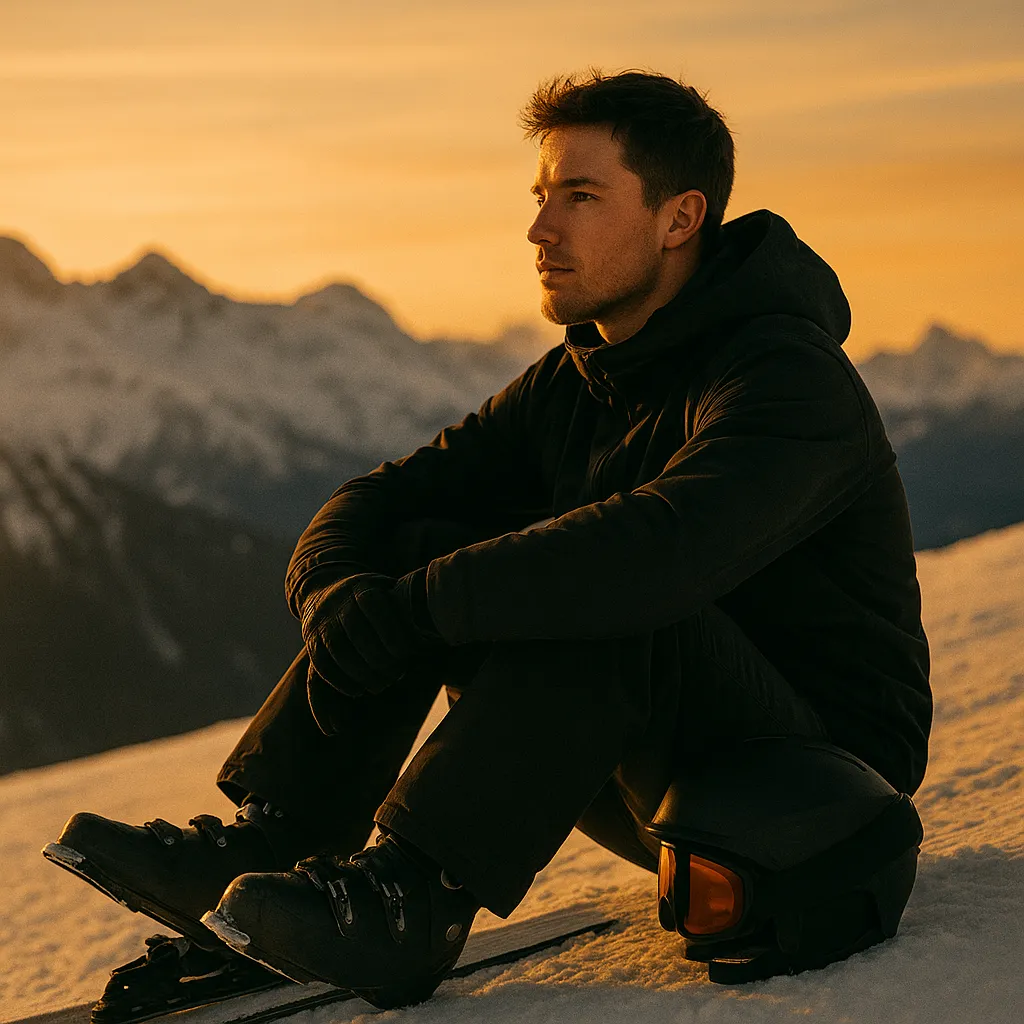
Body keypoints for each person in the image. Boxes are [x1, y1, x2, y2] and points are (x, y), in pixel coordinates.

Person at [45, 70, 931, 1008]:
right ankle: (280, 841)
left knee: (605, 586)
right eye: (542, 196)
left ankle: (410, 899)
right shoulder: (581, 375)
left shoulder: (786, 376)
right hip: (652, 747)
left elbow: (660, 552)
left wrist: (418, 613)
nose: (541, 228)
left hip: (813, 784)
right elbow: (384, 503)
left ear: (679, 220)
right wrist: (339, 595)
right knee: (433, 537)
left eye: (580, 197)